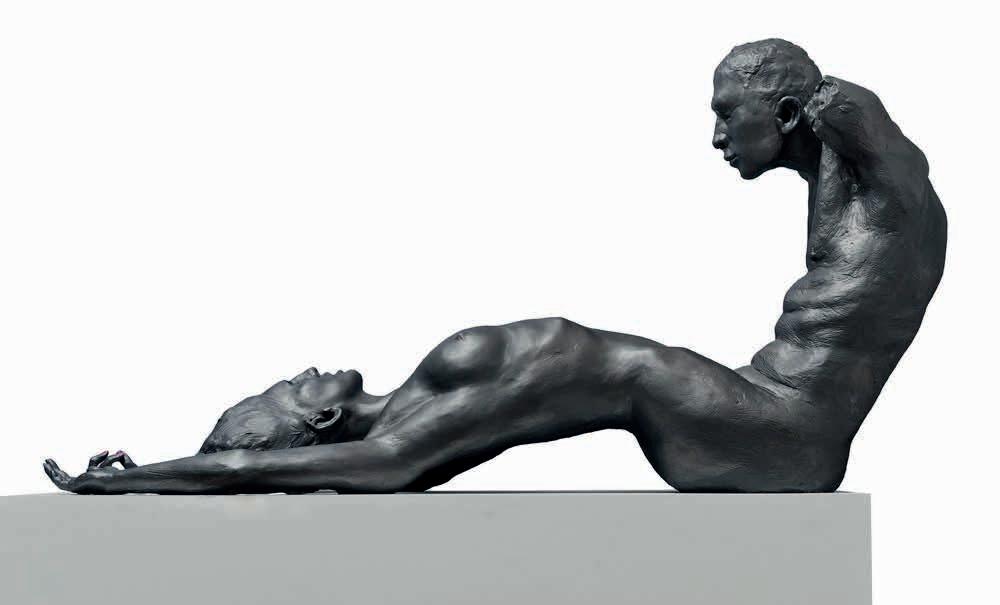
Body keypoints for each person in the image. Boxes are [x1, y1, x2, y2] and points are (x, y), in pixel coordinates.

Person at [44, 39, 946, 495]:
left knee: (629, 362)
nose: (715, 135)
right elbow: (330, 467)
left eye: (726, 114)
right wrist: (134, 479)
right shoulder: (407, 430)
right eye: (283, 389)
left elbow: (893, 163)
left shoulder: (878, 187)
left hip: (779, 424)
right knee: (624, 363)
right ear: (314, 422)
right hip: (775, 428)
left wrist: (824, 109)